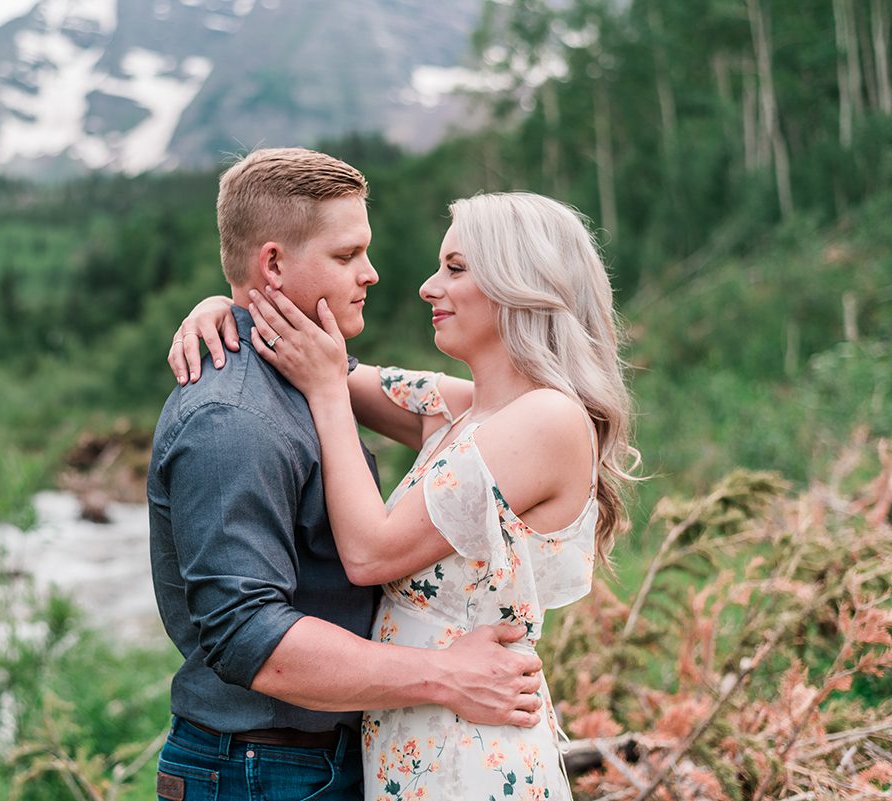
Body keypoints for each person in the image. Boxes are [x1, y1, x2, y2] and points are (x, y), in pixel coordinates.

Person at [170, 191, 639, 800]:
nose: (426, 286)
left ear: (520, 283)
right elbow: (328, 364)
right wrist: (230, 307)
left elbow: (370, 555)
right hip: (417, 737)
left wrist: (328, 397)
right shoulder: (467, 410)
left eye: (456, 267)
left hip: (469, 750)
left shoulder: (547, 420)